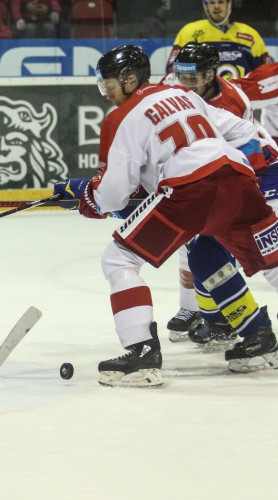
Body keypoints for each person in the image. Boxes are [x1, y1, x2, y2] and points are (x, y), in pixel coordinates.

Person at [53, 45, 278, 387]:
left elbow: (114, 193)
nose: (106, 92)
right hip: (238, 177)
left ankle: (141, 351)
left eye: (109, 84)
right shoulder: (179, 93)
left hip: (191, 190)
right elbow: (240, 131)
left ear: (129, 80)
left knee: (119, 259)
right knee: (249, 256)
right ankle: (260, 338)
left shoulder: (121, 118)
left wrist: (88, 197)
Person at [164, 0, 277, 337]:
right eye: (182, 77)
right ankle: (200, 313)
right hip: (228, 174)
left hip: (256, 174)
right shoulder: (179, 87)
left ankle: (222, 320)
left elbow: (246, 149)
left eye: (194, 78)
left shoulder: (229, 102)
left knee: (263, 252)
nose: (187, 84)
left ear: (211, 75)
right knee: (197, 243)